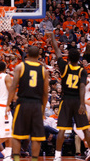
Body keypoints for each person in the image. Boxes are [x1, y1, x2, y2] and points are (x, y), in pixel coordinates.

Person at [48, 32, 90, 161]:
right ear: (79, 59)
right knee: (85, 129)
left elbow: (57, 50)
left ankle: (57, 156)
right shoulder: (82, 71)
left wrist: (52, 38)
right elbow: (82, 86)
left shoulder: (64, 67)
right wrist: (82, 104)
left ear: (69, 58)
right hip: (77, 101)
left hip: (66, 100)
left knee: (61, 129)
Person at [6, 46, 49, 161]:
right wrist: (43, 110)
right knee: (36, 137)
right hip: (37, 104)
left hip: (23, 103)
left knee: (17, 135)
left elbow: (13, 87)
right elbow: (45, 94)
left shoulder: (20, 67)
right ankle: (34, 159)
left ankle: (16, 159)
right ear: (39, 56)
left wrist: (7, 104)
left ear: (27, 55)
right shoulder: (44, 70)